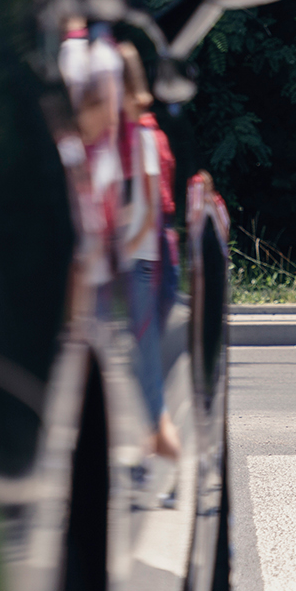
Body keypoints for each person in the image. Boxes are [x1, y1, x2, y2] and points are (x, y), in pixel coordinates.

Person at [117, 43, 182, 464]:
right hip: (151, 260)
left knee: (146, 370)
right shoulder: (144, 132)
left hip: (143, 262)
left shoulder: (140, 135)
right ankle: (158, 456)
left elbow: (148, 207)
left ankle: (164, 459)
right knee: (143, 366)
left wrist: (115, 246)